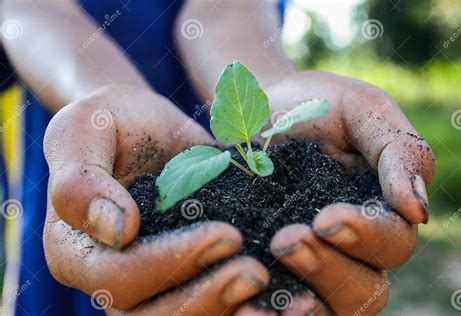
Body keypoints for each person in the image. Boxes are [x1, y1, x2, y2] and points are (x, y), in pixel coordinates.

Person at [2, 0, 435, 315]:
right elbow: (28, 10)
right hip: (95, 175)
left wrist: (270, 90)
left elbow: (223, 9)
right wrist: (101, 106)